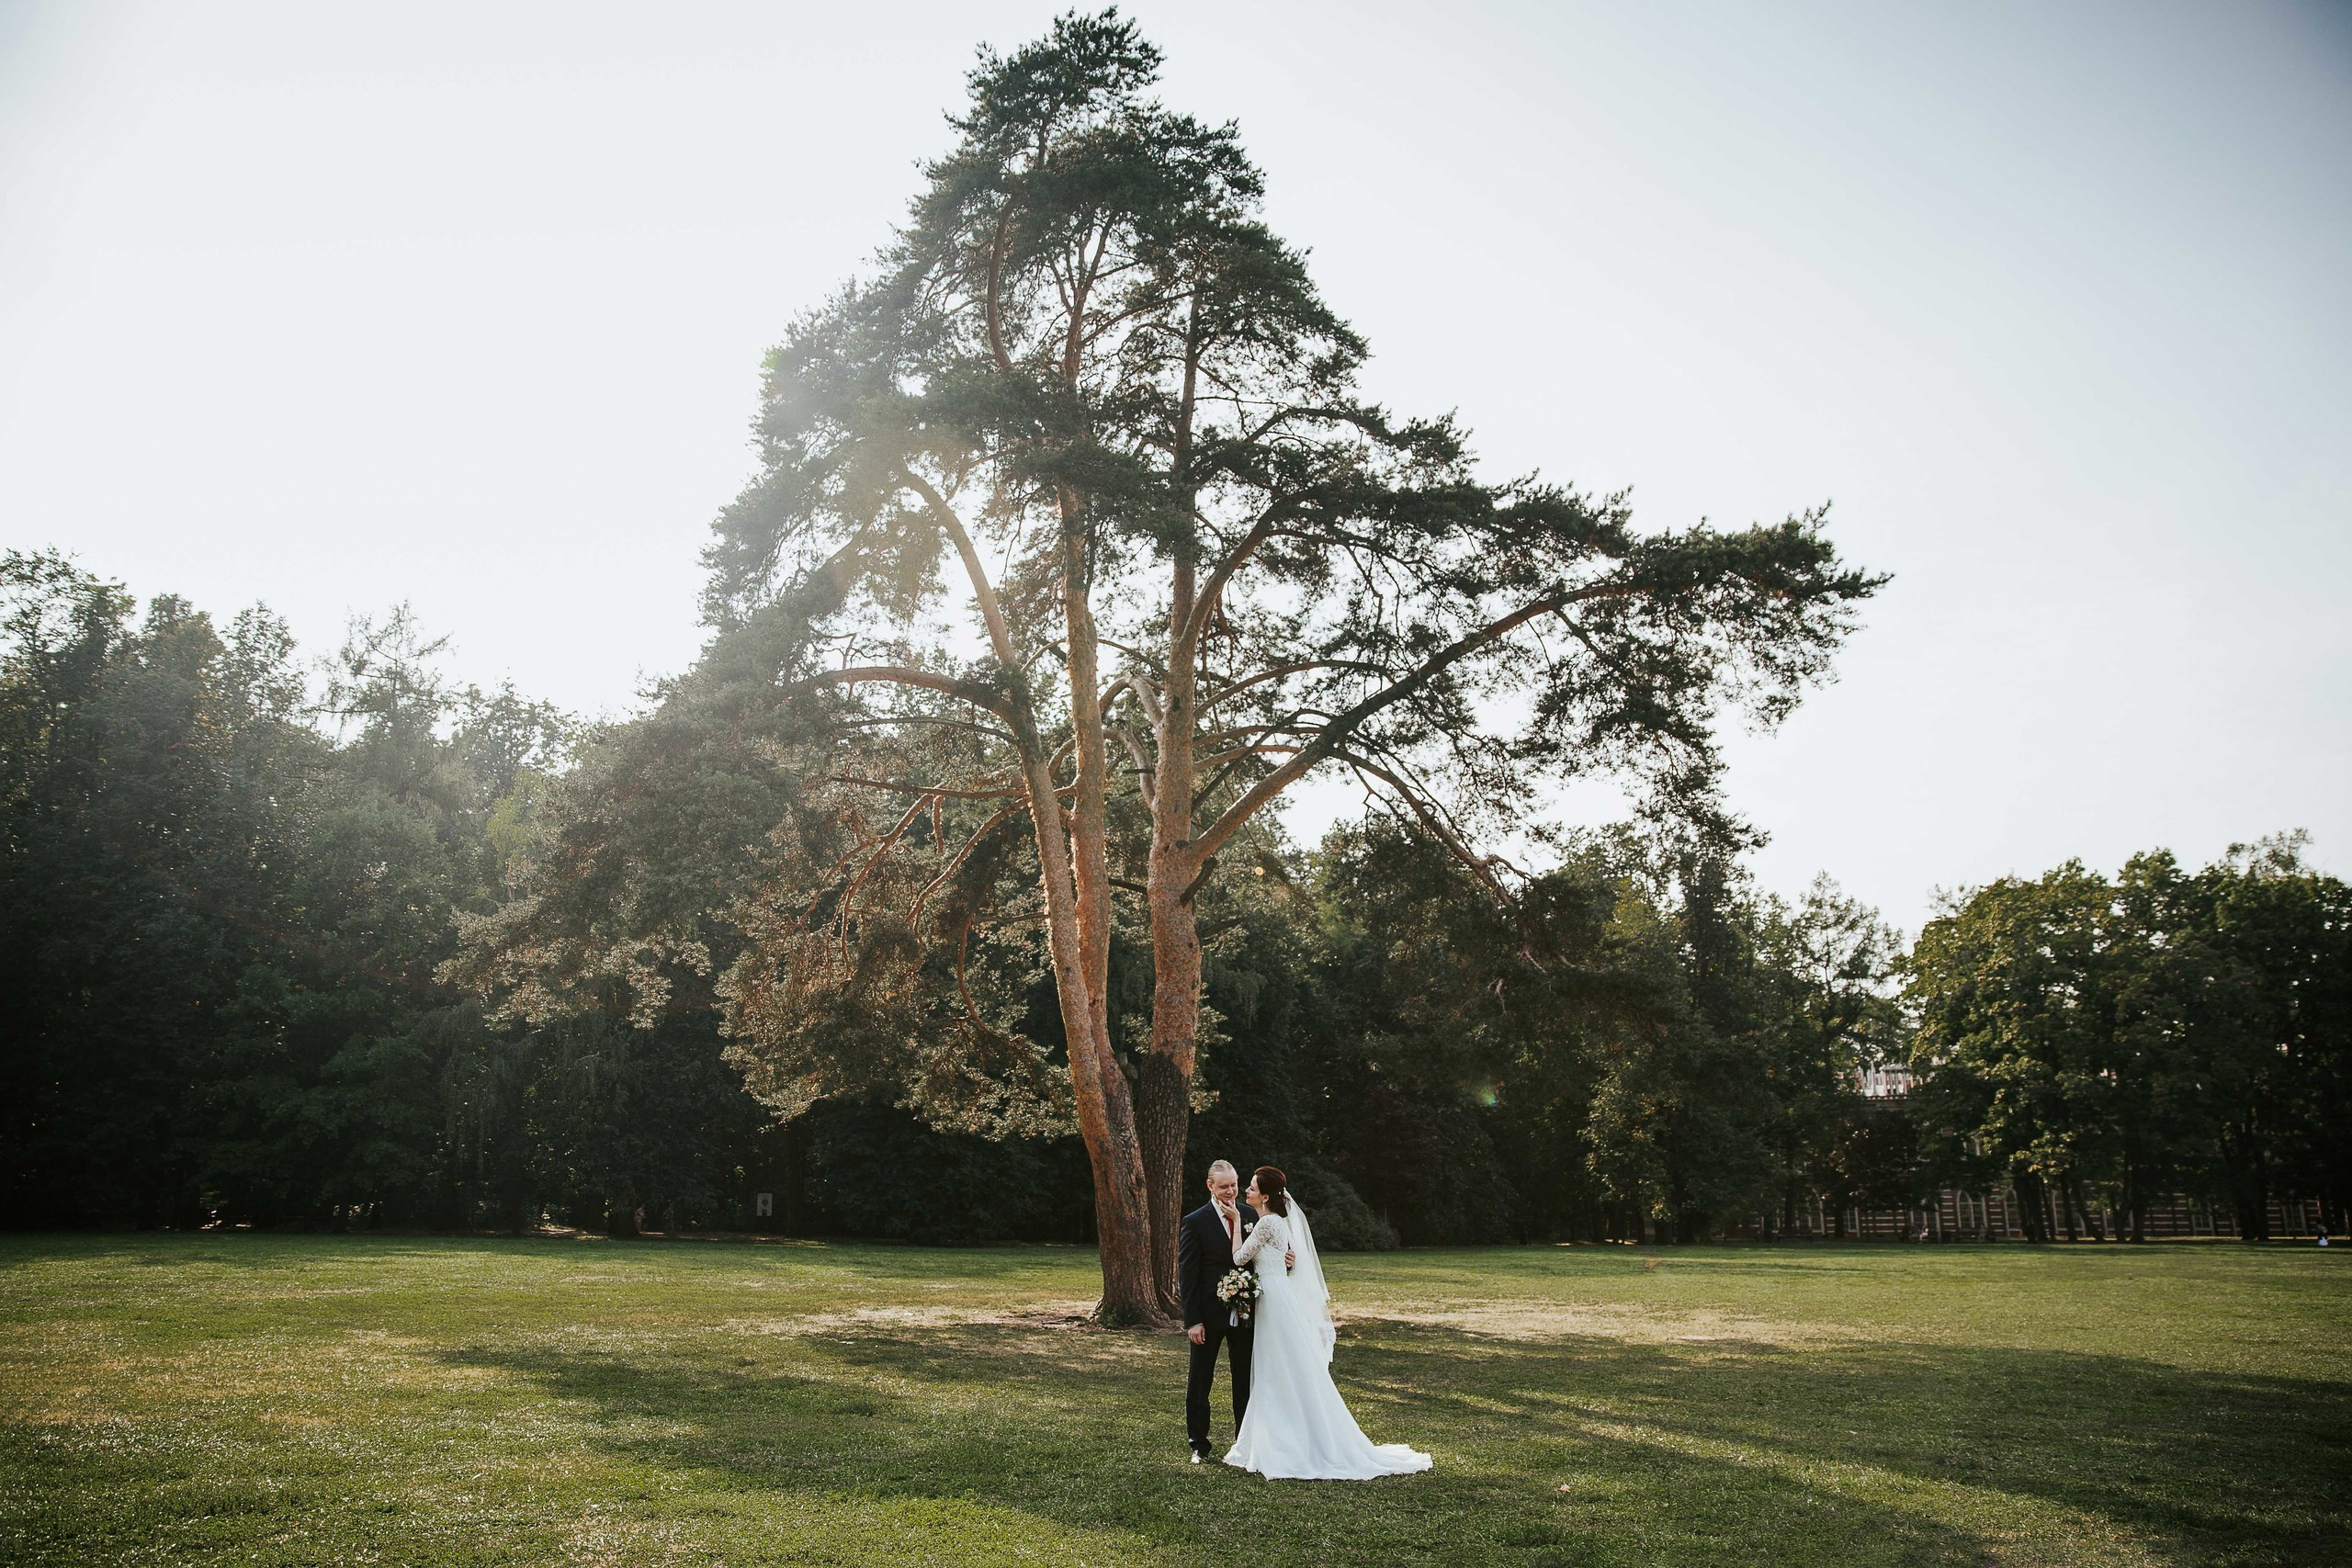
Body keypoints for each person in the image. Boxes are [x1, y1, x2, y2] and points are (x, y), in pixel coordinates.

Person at [1224, 1166, 1431, 1481]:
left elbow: (1239, 1258)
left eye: (1251, 1188)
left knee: (1275, 1366)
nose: (1246, 1192)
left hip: (1274, 1299)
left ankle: (1282, 1444)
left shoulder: (1266, 1222)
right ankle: (1273, 1437)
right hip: (1277, 1295)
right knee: (1279, 1366)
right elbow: (1282, 1257)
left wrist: (1237, 1223)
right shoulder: (1276, 1221)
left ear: (1265, 1196)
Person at [1180, 1159, 1260, 1462]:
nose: (1231, 1191)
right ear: (1210, 1186)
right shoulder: (1196, 1221)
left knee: (1244, 1379)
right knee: (1200, 1379)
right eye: (1224, 1186)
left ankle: (1244, 1442)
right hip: (1208, 1316)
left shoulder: (1251, 1215)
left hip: (1245, 1314)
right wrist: (1193, 1320)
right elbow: (1188, 1276)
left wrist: (1286, 1257)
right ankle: (1199, 1443)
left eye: (1234, 1184)